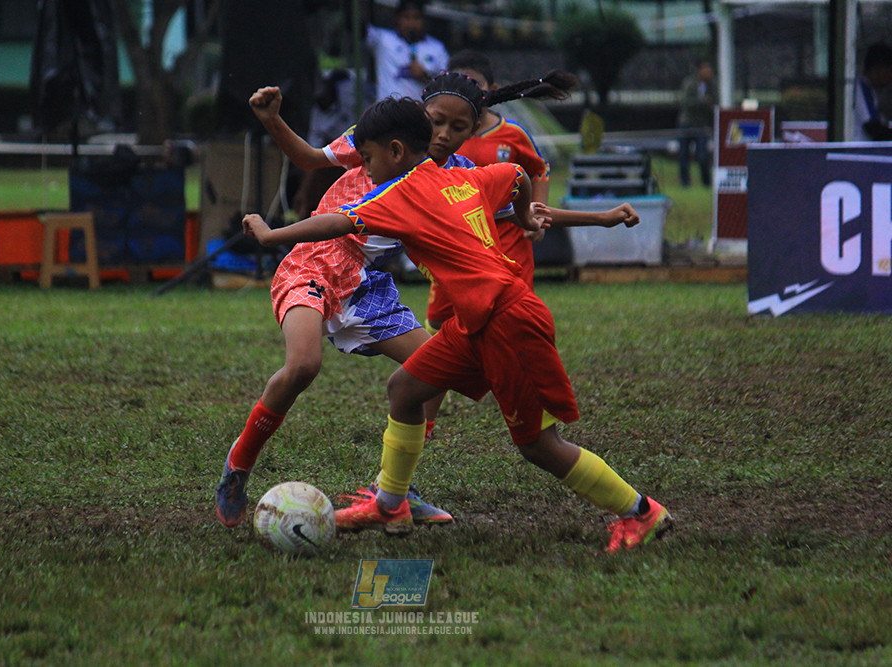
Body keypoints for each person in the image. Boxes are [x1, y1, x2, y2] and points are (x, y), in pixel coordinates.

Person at [242, 97, 673, 554]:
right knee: (406, 389)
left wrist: (271, 235)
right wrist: (526, 216)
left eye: (367, 158)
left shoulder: (397, 195)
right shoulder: (464, 178)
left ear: (395, 151)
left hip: (507, 321)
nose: (365, 169)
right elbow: (517, 177)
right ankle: (389, 504)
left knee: (538, 445)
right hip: (475, 321)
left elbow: (335, 224)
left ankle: (640, 511)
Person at [216, 71, 560, 529]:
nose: (443, 134)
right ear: (420, 116)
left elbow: (521, 204)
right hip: (313, 264)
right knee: (303, 366)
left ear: (472, 130)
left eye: (458, 127)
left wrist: (601, 218)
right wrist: (272, 120)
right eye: (436, 121)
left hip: (368, 284)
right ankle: (238, 464)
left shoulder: (457, 174)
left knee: (432, 372)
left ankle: (395, 490)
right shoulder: (378, 132)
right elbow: (311, 163)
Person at [425, 50, 565, 331]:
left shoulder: (513, 134)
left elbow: (539, 169)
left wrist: (536, 213)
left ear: (493, 89)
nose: (465, 91)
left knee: (512, 310)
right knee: (440, 318)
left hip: (509, 235)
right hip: (461, 239)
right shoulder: (437, 137)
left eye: (475, 84)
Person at [367, 0, 449, 101]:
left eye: (416, 18)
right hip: (388, 108)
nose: (411, 23)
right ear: (397, 18)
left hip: (420, 108)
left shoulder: (436, 48)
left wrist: (425, 76)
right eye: (406, 17)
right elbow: (358, 27)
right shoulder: (383, 39)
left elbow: (447, 85)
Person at [676, 59, 717, 187]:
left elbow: (714, 102)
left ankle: (706, 182)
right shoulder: (690, 83)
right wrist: (702, 101)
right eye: (706, 69)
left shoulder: (712, 85)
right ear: (699, 71)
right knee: (684, 154)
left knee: (703, 155)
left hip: (702, 125)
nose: (709, 72)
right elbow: (685, 102)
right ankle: (685, 182)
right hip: (687, 123)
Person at [854, 43, 892, 142]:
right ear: (880, 69)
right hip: (858, 147)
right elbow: (873, 128)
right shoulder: (862, 88)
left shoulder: (870, 90)